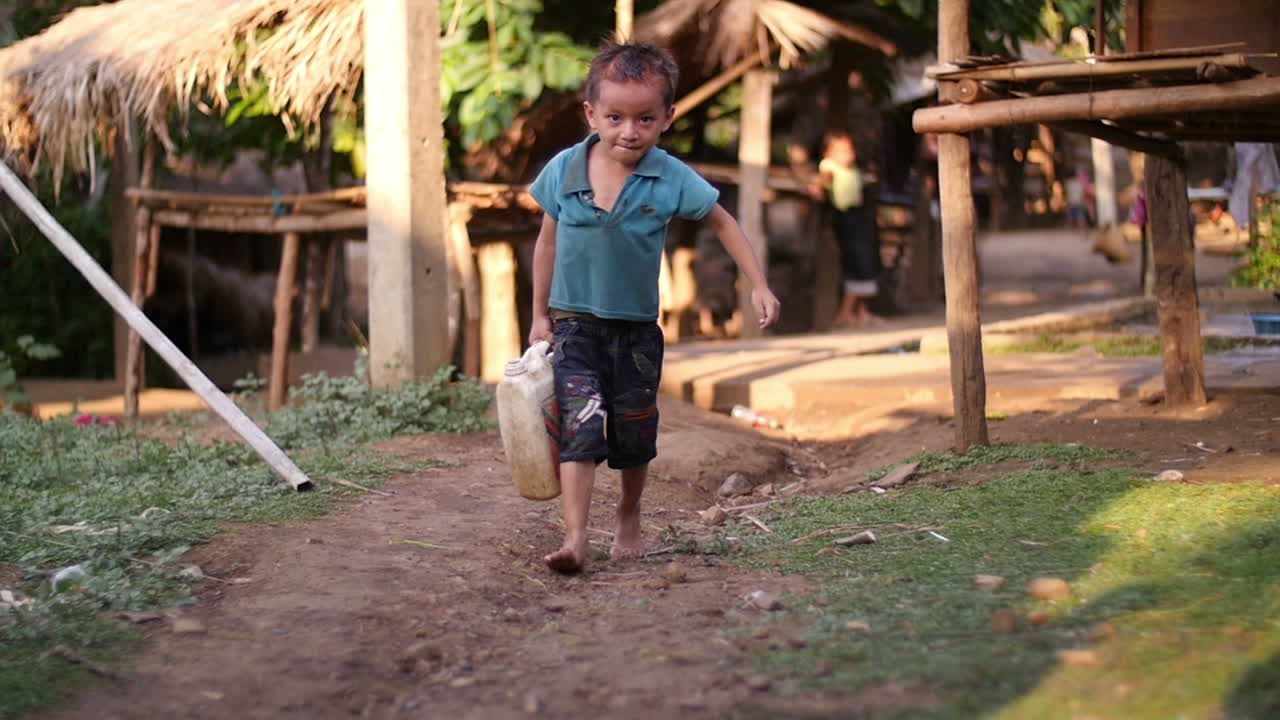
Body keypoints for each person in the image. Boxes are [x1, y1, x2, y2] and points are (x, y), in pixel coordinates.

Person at [527, 40, 780, 573]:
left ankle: (628, 513)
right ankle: (575, 538)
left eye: (645, 118)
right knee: (581, 425)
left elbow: (723, 222)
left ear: (667, 117)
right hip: (574, 326)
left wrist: (757, 283)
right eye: (615, 117)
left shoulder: (669, 176)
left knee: (635, 433)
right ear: (591, 112)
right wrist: (539, 317)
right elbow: (546, 242)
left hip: (637, 334)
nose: (629, 131)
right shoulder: (564, 171)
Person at [812, 132, 882, 328]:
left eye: (849, 150)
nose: (848, 155)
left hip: (859, 218)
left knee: (866, 260)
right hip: (846, 219)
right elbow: (824, 179)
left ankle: (861, 312)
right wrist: (818, 187)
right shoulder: (829, 167)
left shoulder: (853, 169)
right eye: (841, 151)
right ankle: (845, 313)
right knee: (857, 262)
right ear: (828, 154)